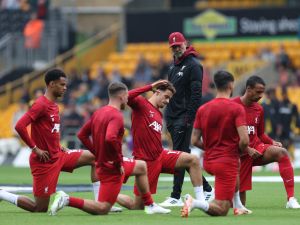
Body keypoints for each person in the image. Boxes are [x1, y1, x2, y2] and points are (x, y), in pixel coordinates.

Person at [49, 82, 170, 215]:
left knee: (141, 167)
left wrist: (97, 153)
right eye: (126, 96)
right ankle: (67, 199)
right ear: (122, 96)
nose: (127, 99)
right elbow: (110, 138)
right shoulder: (116, 115)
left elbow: (82, 135)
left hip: (104, 162)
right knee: (103, 208)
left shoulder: (99, 112)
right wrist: (118, 161)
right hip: (112, 166)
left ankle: (150, 204)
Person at [0, 69, 96, 212]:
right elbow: (20, 126)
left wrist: (58, 145)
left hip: (59, 155)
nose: (65, 88)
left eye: (65, 85)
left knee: (94, 157)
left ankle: (102, 203)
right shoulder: (40, 105)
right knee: (39, 208)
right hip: (44, 161)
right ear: (51, 84)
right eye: (62, 85)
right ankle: (2, 193)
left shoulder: (55, 106)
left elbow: (50, 131)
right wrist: (35, 148)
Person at [115, 80, 207, 210]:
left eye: (170, 98)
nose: (168, 101)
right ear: (157, 92)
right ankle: (110, 194)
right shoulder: (141, 104)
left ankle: (202, 201)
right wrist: (149, 87)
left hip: (160, 155)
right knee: (138, 206)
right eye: (166, 97)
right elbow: (125, 96)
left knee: (193, 160)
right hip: (146, 162)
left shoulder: (158, 113)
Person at [182, 70, 249, 217]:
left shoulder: (203, 109)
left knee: (236, 166)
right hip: (225, 162)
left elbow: (193, 140)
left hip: (209, 161)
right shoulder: (236, 108)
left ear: (216, 86)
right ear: (231, 85)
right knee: (222, 209)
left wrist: (211, 148)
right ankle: (194, 202)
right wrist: (237, 151)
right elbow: (245, 140)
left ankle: (238, 205)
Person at [161, 32, 213, 207]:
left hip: (184, 117)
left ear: (185, 44)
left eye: (179, 45)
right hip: (173, 116)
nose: (176, 48)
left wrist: (189, 118)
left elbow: (196, 95)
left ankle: (176, 195)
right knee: (184, 156)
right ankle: (207, 189)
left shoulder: (193, 65)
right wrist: (167, 115)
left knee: (179, 156)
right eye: (173, 46)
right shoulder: (172, 67)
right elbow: (169, 93)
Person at [232, 75, 300, 209]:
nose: (261, 95)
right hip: (240, 154)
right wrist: (247, 149)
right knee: (239, 205)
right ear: (248, 89)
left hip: (257, 149)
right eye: (258, 92)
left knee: (282, 153)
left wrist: (272, 141)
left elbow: (260, 134)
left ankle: (291, 199)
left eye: (262, 92)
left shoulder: (259, 109)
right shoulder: (232, 106)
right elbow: (228, 136)